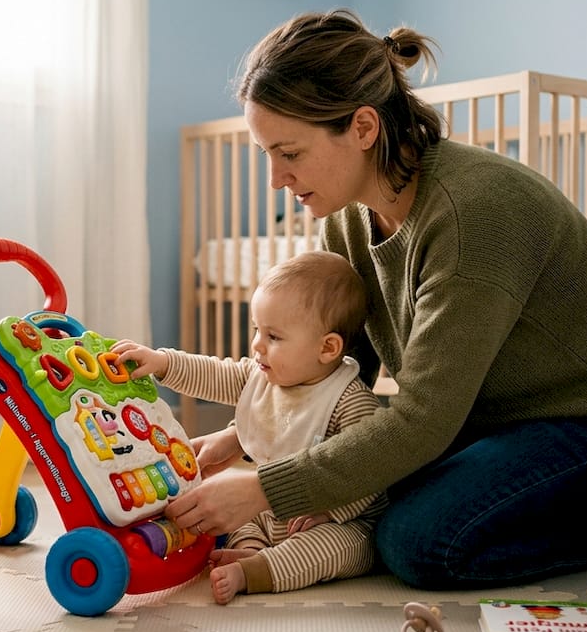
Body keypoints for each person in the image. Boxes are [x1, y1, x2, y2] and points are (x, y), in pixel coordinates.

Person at [159, 8, 587, 591]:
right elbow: (326, 371)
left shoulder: (475, 212)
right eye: (267, 155)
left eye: (290, 153)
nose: (276, 180)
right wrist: (245, 435)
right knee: (371, 493)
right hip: (491, 421)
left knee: (416, 542)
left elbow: (422, 420)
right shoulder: (347, 225)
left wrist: (263, 487)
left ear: (363, 128)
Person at [113, 251, 385, 604]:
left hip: (340, 521)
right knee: (240, 522)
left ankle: (255, 572)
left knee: (335, 547)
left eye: (274, 336)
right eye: (258, 330)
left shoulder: (349, 401)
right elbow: (215, 373)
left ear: (327, 347)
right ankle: (251, 551)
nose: (257, 345)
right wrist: (163, 363)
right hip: (272, 509)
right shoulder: (263, 377)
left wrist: (328, 510)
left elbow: (367, 474)